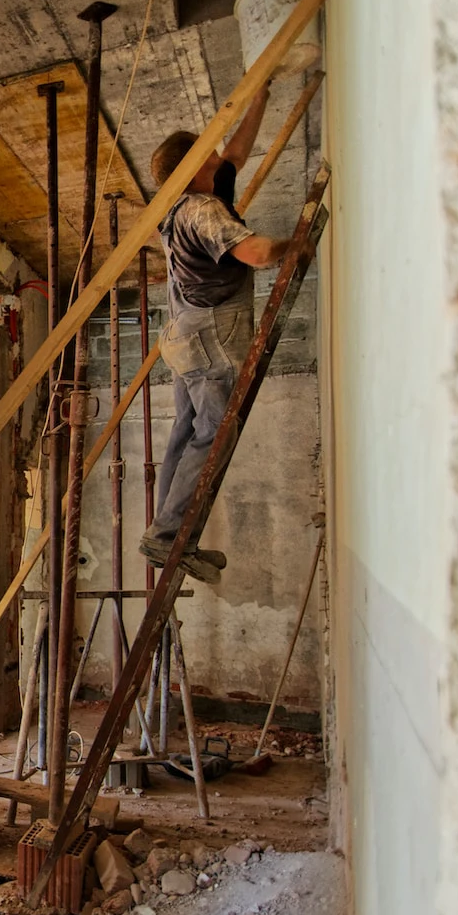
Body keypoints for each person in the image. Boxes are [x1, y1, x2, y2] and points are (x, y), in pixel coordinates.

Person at [139, 84, 291, 585]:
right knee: (212, 434)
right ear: (194, 164)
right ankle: (166, 538)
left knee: (185, 433)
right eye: (207, 151)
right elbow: (259, 255)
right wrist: (298, 242)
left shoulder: (194, 197)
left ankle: (168, 536)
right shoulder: (201, 211)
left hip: (184, 334)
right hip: (208, 336)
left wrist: (260, 97)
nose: (216, 154)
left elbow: (236, 154)